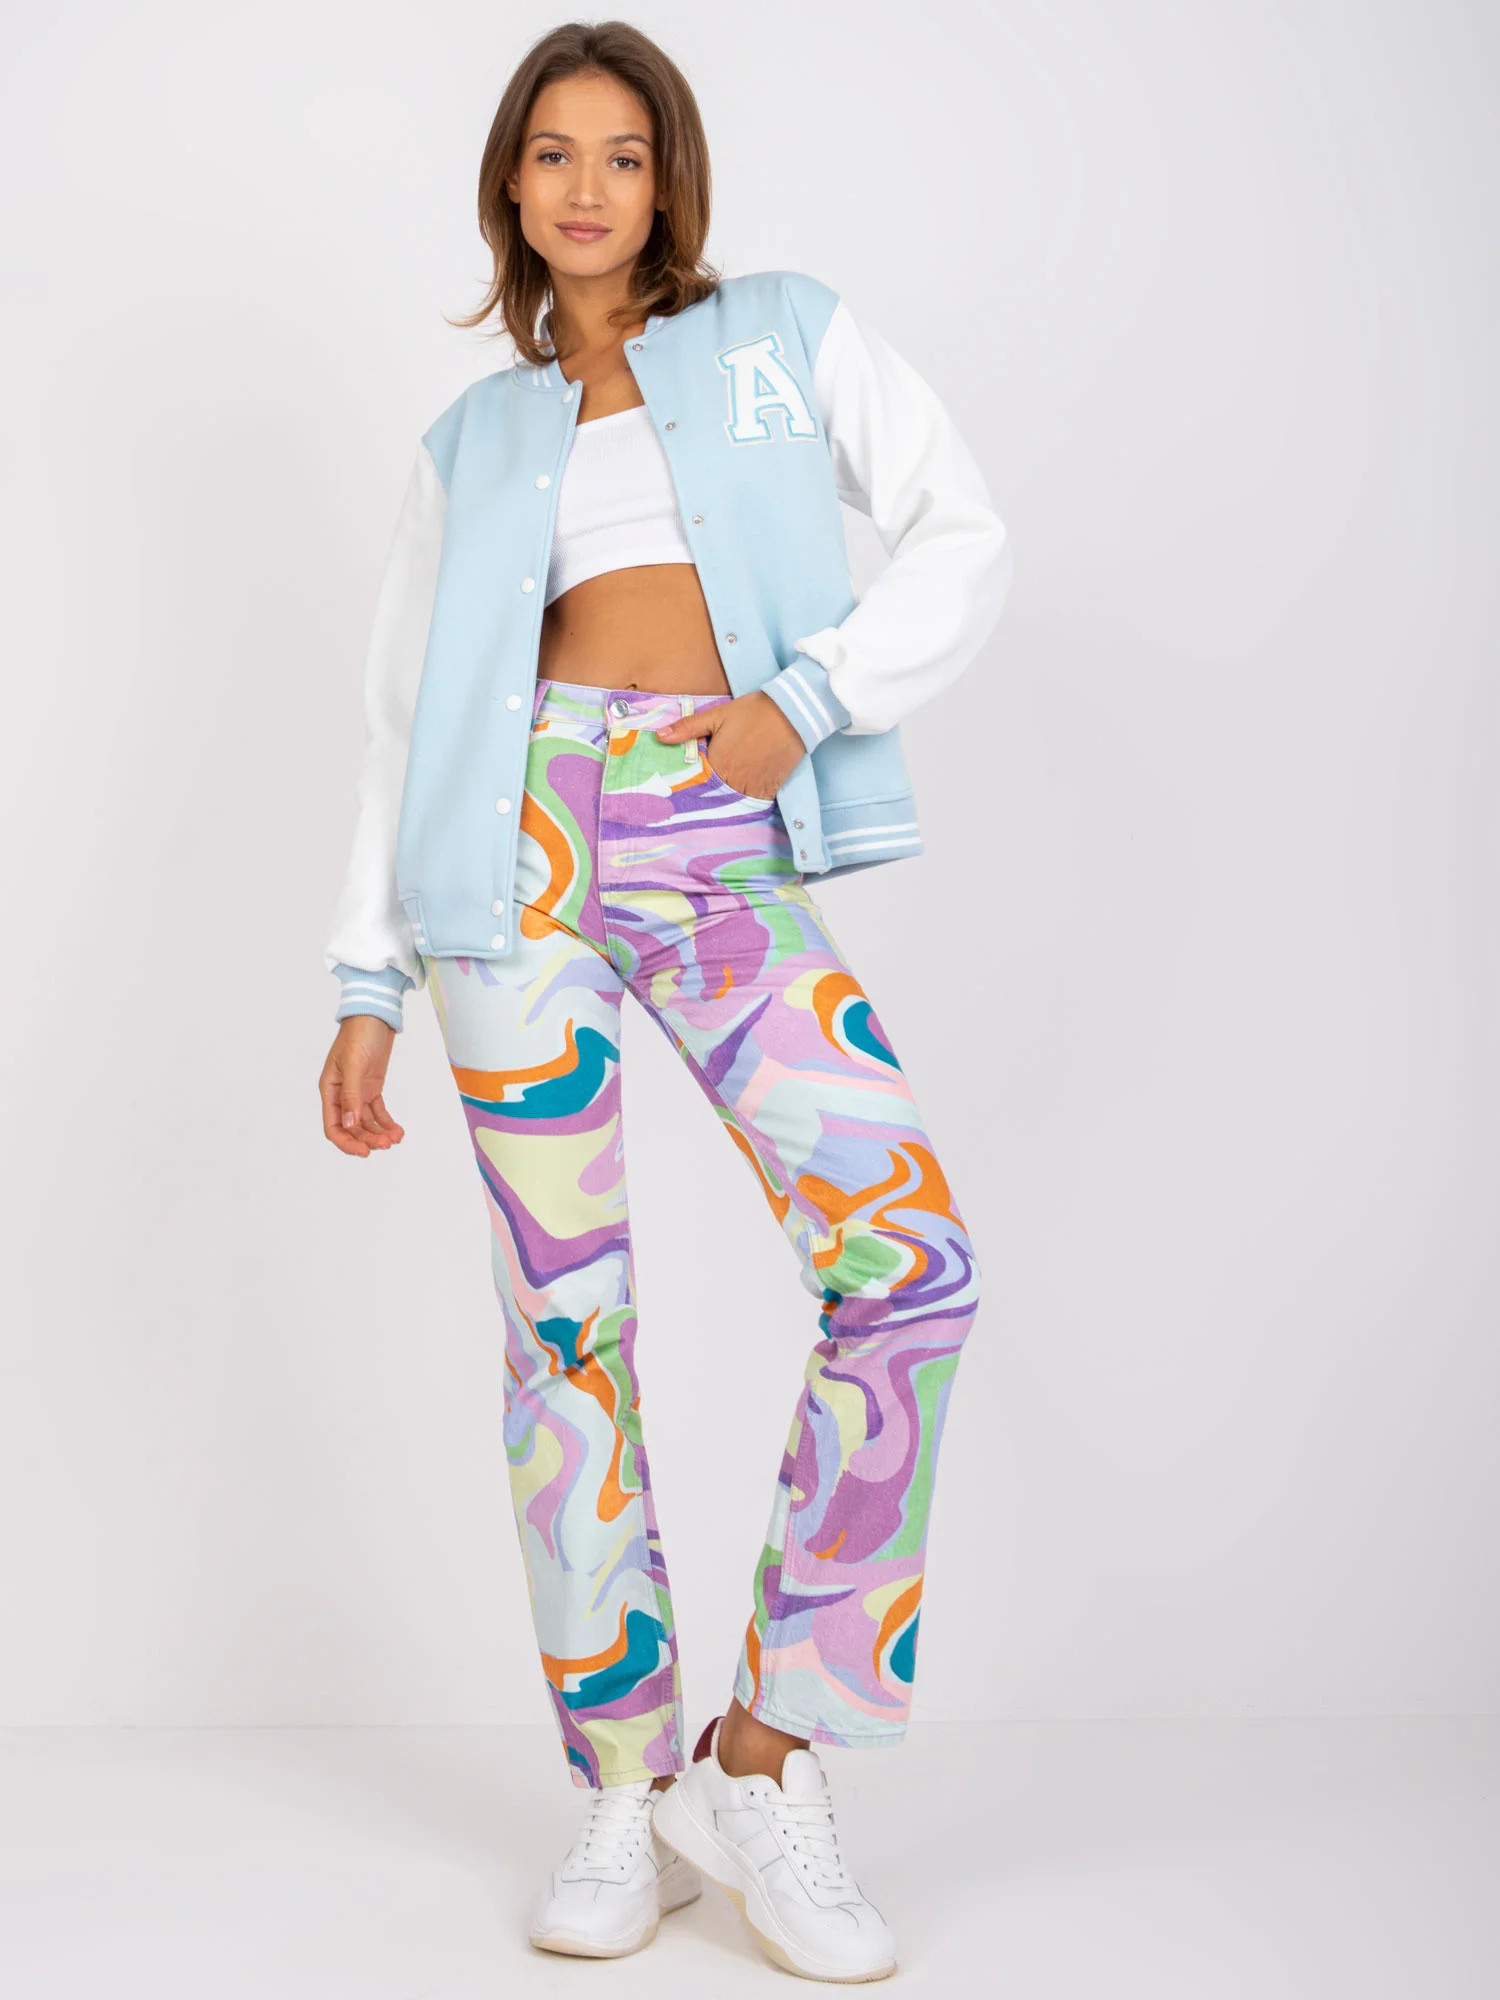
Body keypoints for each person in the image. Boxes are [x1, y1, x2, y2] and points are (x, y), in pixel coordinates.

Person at [318, 19, 1011, 1985]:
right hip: (510, 857)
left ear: (669, 177)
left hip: (718, 824)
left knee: (909, 1264)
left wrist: (806, 701)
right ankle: (622, 1785)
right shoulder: (471, 441)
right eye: (553, 152)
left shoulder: (783, 335)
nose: (589, 185)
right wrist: (365, 974)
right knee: (566, 1333)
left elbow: (965, 531)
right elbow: (402, 722)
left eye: (623, 152)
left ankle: (761, 1760)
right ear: (510, 183)